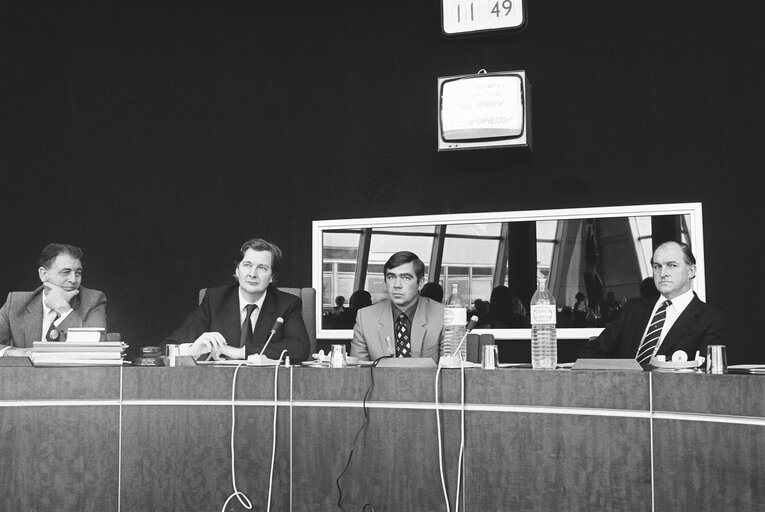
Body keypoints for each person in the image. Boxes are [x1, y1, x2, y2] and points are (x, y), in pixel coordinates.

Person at [579, 241, 728, 364]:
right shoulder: (633, 309)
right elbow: (594, 350)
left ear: (691, 271)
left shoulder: (711, 319)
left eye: (672, 265)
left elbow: (706, 375)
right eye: (657, 267)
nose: (663, 273)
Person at [164, 238, 310, 361]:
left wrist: (239, 352)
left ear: (272, 277)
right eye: (247, 265)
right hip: (220, 386)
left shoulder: (287, 304)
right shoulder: (215, 300)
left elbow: (300, 348)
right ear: (237, 270)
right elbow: (169, 346)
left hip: (269, 386)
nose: (253, 274)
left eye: (262, 268)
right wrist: (191, 350)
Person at [0, 243, 107, 356]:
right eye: (65, 272)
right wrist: (18, 352)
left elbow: (97, 348)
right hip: (27, 373)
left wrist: (64, 310)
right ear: (43, 274)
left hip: (74, 373)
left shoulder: (93, 300)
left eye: (78, 273)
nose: (73, 280)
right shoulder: (16, 302)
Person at [350, 251, 444, 362]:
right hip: (380, 380)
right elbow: (358, 372)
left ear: (421, 283)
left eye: (406, 278)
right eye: (391, 277)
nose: (397, 285)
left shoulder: (442, 316)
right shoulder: (366, 317)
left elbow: (452, 373)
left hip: (429, 380)